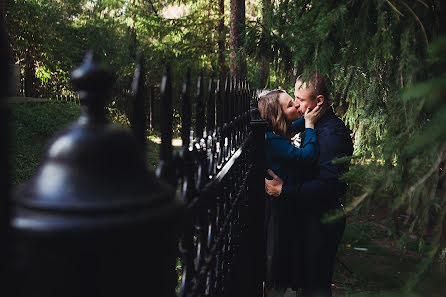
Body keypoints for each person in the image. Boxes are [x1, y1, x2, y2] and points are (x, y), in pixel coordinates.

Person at [265, 73, 353, 297]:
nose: (296, 104)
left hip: (322, 221)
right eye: (294, 98)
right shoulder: (311, 122)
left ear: (319, 101)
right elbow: (283, 126)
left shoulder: (332, 134)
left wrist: (284, 190)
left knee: (316, 286)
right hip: (309, 216)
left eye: (301, 99)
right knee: (306, 283)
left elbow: (328, 186)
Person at [257, 89, 323, 297]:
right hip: (280, 207)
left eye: (294, 101)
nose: (296, 105)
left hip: (283, 202)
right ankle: (277, 287)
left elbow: (291, 127)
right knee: (279, 251)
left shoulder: (273, 134)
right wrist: (310, 125)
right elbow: (307, 157)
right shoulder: (273, 142)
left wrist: (307, 117)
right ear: (279, 115)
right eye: (289, 105)